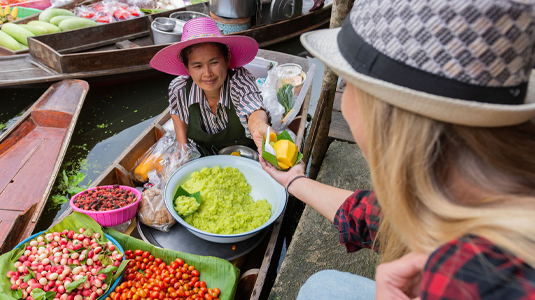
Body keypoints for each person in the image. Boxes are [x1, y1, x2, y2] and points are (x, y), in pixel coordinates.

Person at [260, 0, 535, 298]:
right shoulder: (462, 188)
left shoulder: (464, 276)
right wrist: (294, 181)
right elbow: (375, 216)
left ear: (386, 116)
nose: (345, 98)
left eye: (348, 84)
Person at [150, 17, 271, 156]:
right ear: (187, 68)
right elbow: (177, 113)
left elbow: (253, 108)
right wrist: (182, 150)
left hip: (245, 154)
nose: (207, 73)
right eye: (197, 66)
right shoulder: (179, 89)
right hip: (205, 155)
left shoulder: (240, 81)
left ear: (227, 59)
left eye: (214, 63)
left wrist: (260, 127)